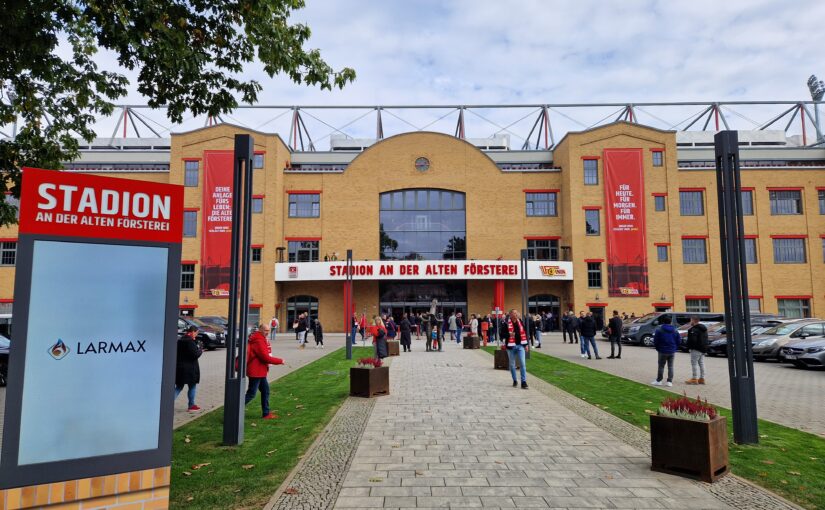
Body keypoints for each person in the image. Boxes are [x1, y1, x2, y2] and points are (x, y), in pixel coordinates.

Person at [245, 323, 285, 419]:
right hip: (256, 371)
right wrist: (280, 361)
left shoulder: (260, 338)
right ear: (260, 330)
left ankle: (266, 413)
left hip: (260, 371)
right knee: (251, 394)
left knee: (265, 391)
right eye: (265, 330)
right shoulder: (258, 340)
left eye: (268, 330)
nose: (267, 332)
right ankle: (233, 410)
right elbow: (265, 357)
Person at [499, 309, 529, 389]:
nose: (516, 314)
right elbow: (501, 335)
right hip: (511, 347)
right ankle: (515, 380)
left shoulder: (520, 322)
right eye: (514, 313)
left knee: (522, 363)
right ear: (510, 315)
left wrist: (526, 345)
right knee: (512, 365)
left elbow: (524, 333)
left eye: (516, 313)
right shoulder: (506, 324)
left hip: (520, 346)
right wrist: (509, 335)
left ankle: (523, 382)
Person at [175, 326, 202, 411]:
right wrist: (200, 350)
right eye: (196, 333)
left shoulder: (180, 340)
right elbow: (195, 355)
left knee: (179, 387)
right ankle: (191, 405)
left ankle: (166, 403)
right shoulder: (190, 342)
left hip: (180, 367)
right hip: (190, 369)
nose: (196, 335)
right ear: (193, 332)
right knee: (192, 386)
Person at [652, 315, 680, 387]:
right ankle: (669, 381)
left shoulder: (659, 330)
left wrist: (658, 348)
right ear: (670, 322)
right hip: (671, 350)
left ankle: (659, 380)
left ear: (663, 322)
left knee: (661, 366)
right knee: (670, 366)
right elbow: (679, 340)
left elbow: (656, 341)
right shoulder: (675, 330)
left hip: (662, 350)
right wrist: (675, 348)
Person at [685, 316, 709, 385]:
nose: (690, 322)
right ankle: (702, 378)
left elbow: (693, 340)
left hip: (696, 349)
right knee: (701, 363)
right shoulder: (703, 328)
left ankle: (694, 378)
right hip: (703, 348)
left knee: (694, 363)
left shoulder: (694, 329)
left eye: (690, 320)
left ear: (693, 320)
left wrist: (690, 347)